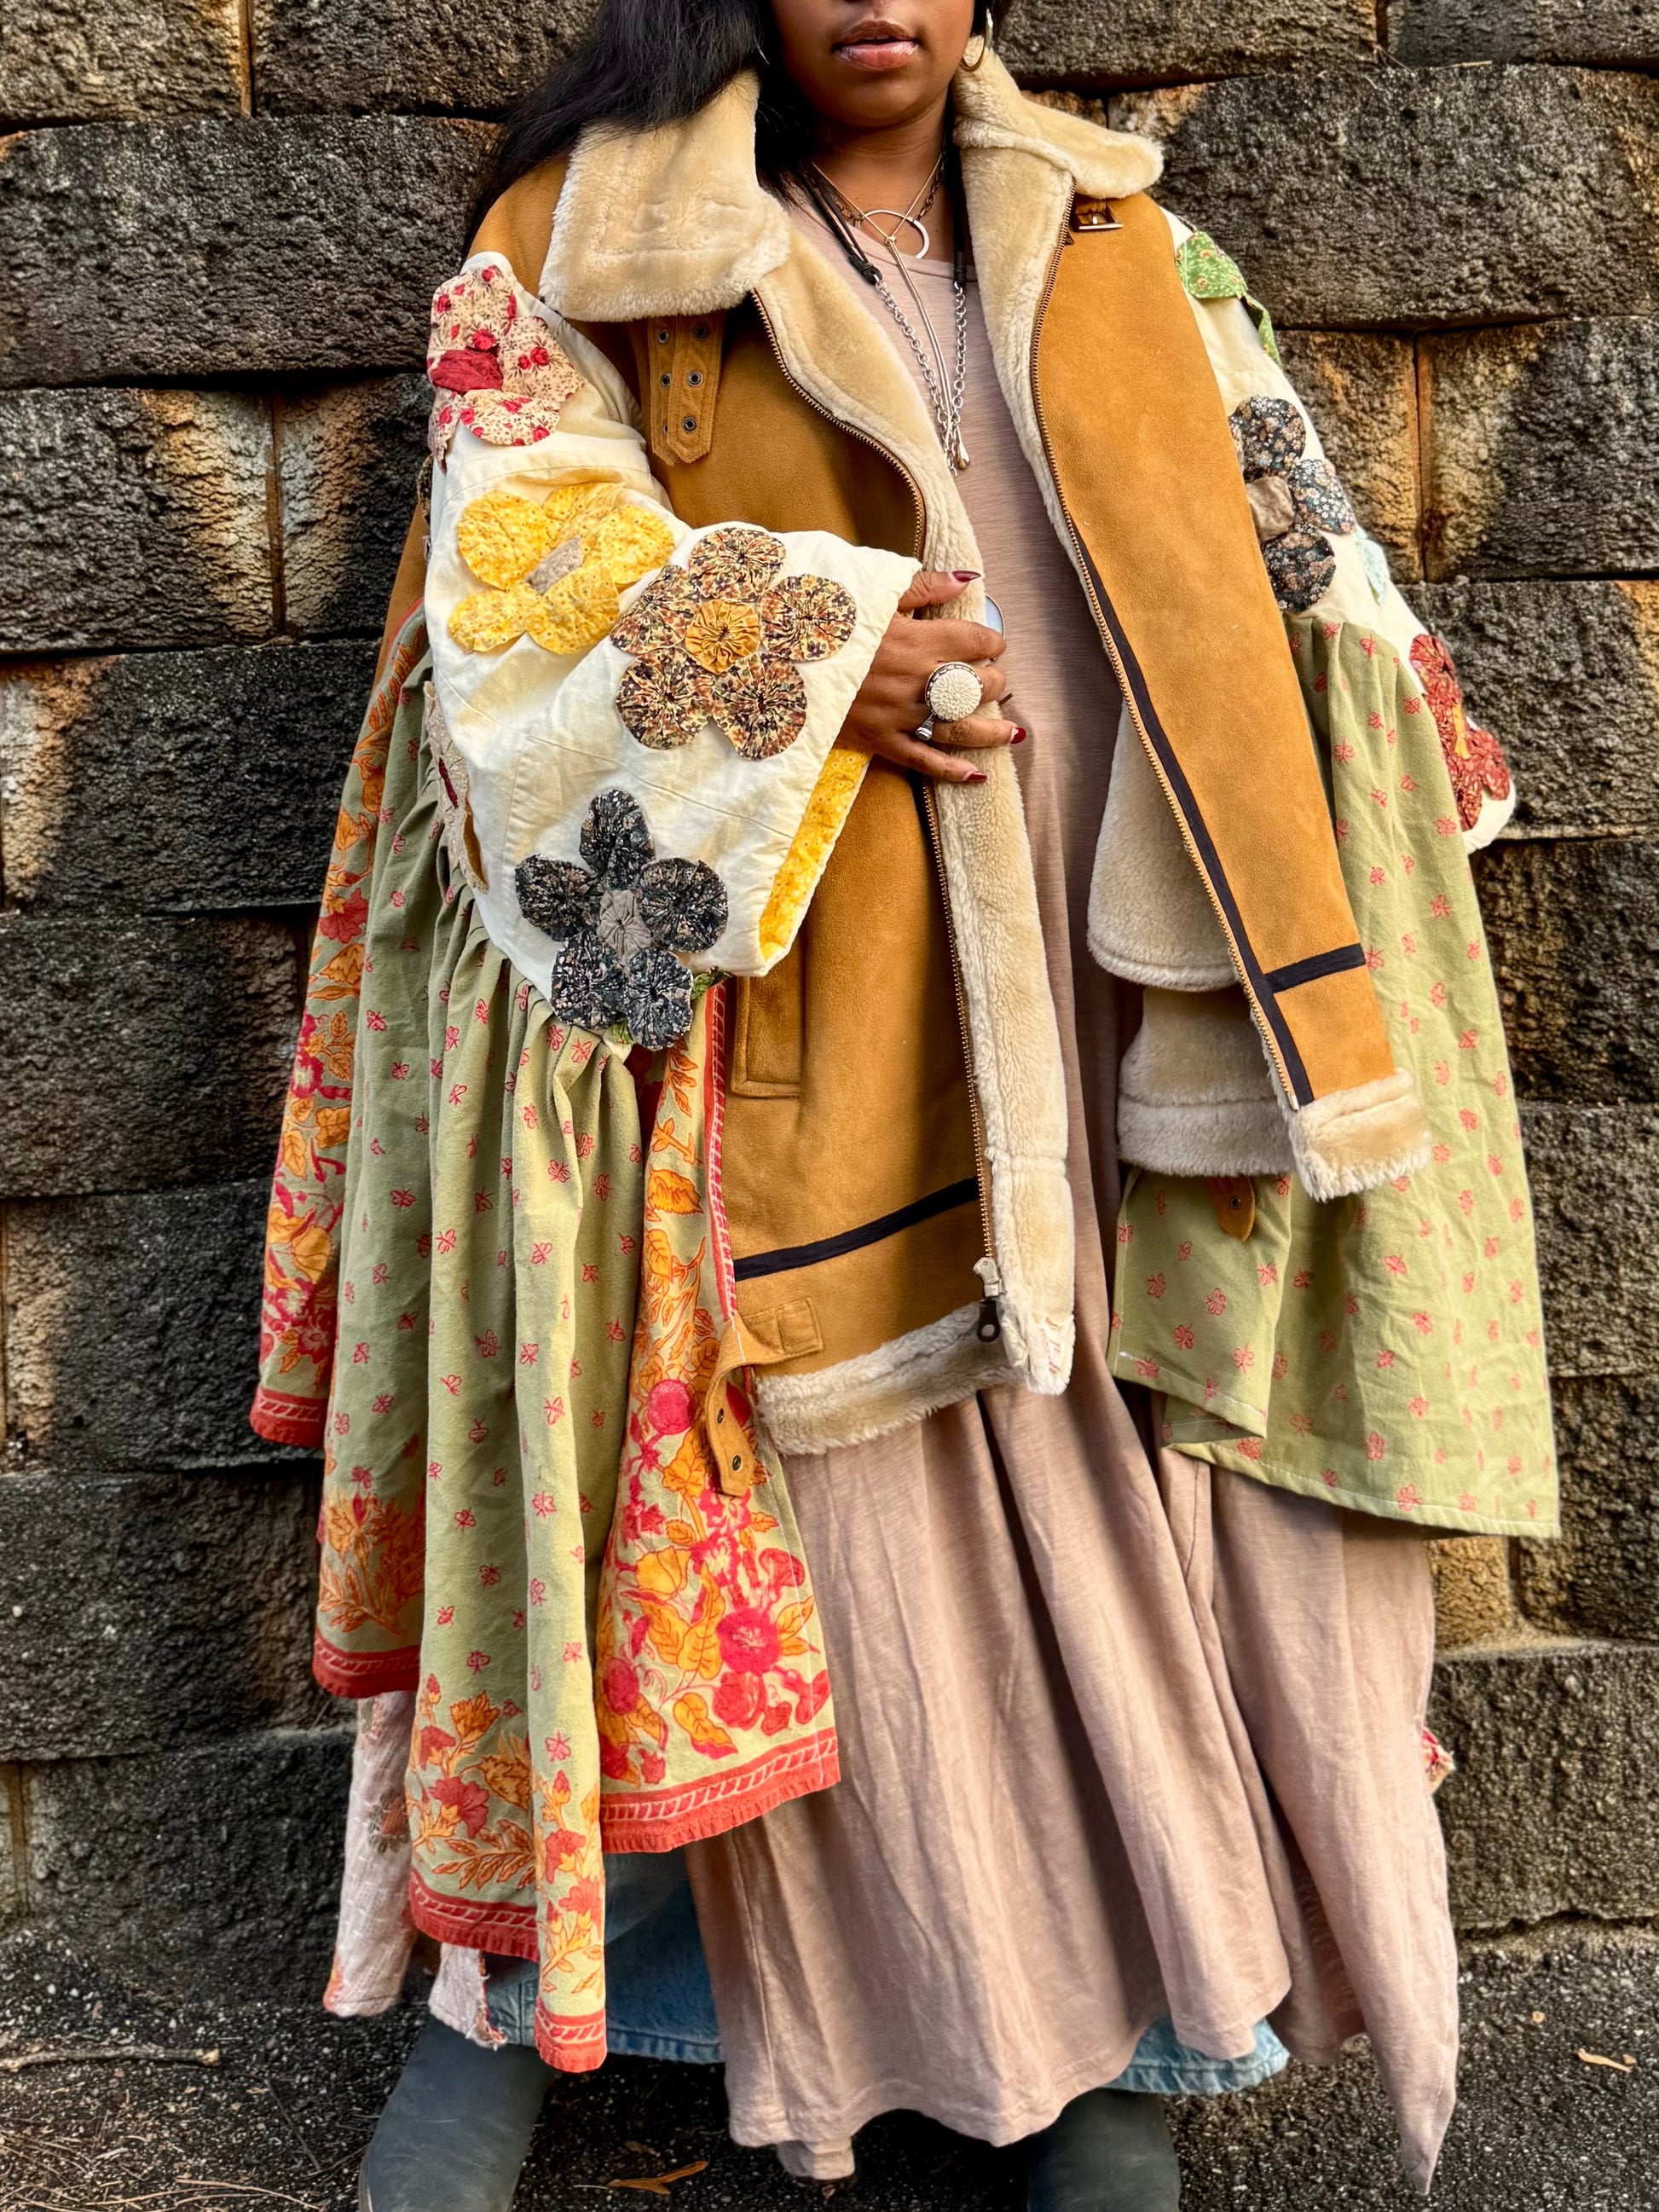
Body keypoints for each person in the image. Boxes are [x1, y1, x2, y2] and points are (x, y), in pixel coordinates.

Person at [251, 3, 1555, 2207]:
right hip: (748, 1006)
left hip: (1118, 986)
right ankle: (504, 2012)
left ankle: (1122, 2042)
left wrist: (1367, 892)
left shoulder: (1131, 240)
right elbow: (513, 591)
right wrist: (802, 646)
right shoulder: (592, 241)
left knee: (1126, 1505)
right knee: (657, 1496)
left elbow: (1307, 578)